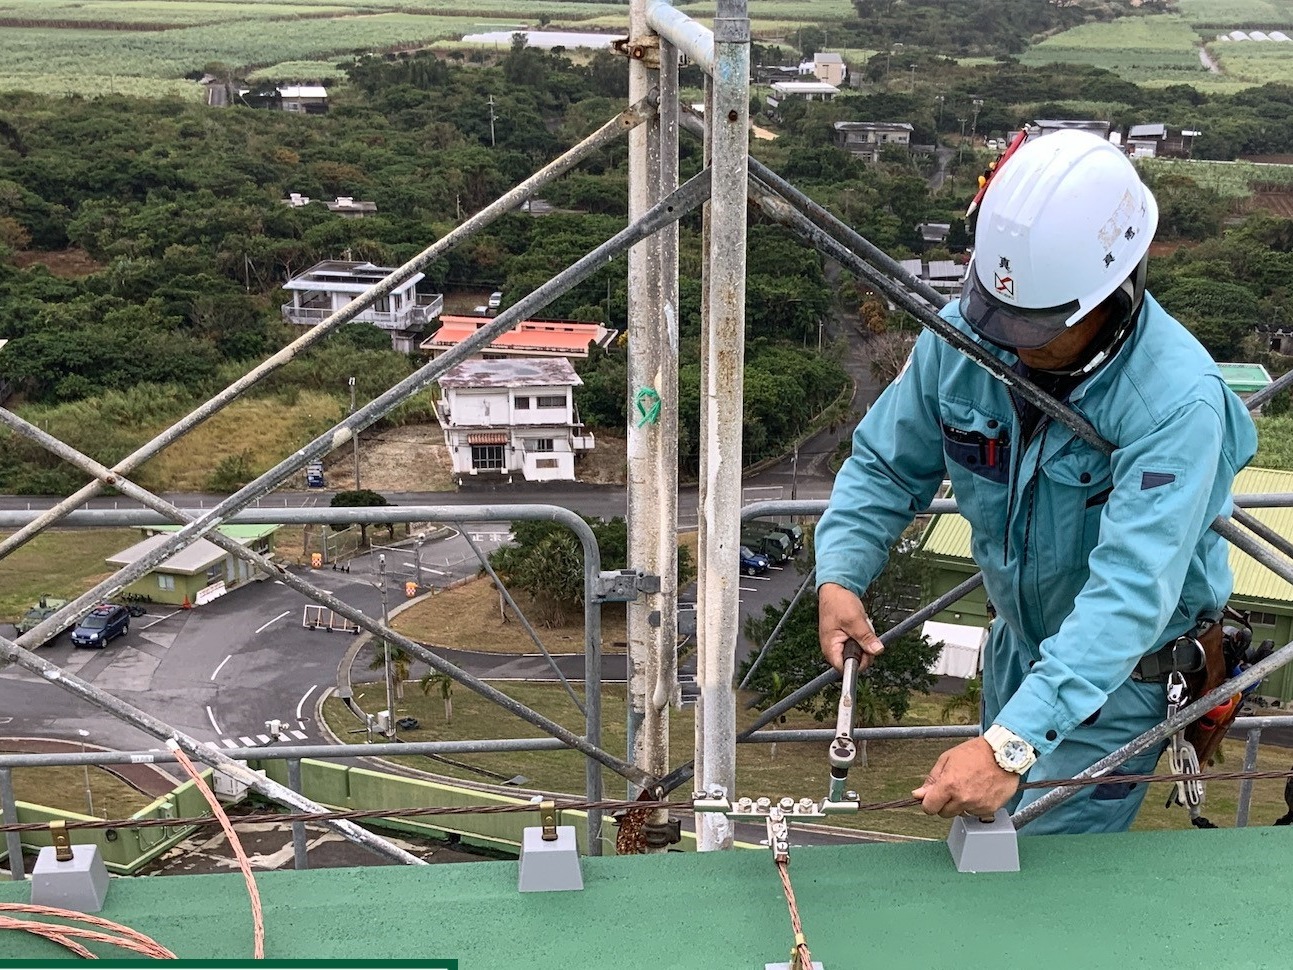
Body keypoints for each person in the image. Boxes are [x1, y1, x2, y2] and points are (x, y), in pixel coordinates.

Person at [814, 130, 1258, 835]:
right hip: (1019, 648)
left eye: (1039, 325)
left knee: (1036, 878)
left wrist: (1010, 744)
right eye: (1001, 314)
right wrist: (840, 574)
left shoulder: (1176, 404)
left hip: (1116, 677)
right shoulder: (964, 339)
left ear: (1112, 293)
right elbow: (884, 464)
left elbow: (1130, 590)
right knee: (991, 852)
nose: (1014, 340)